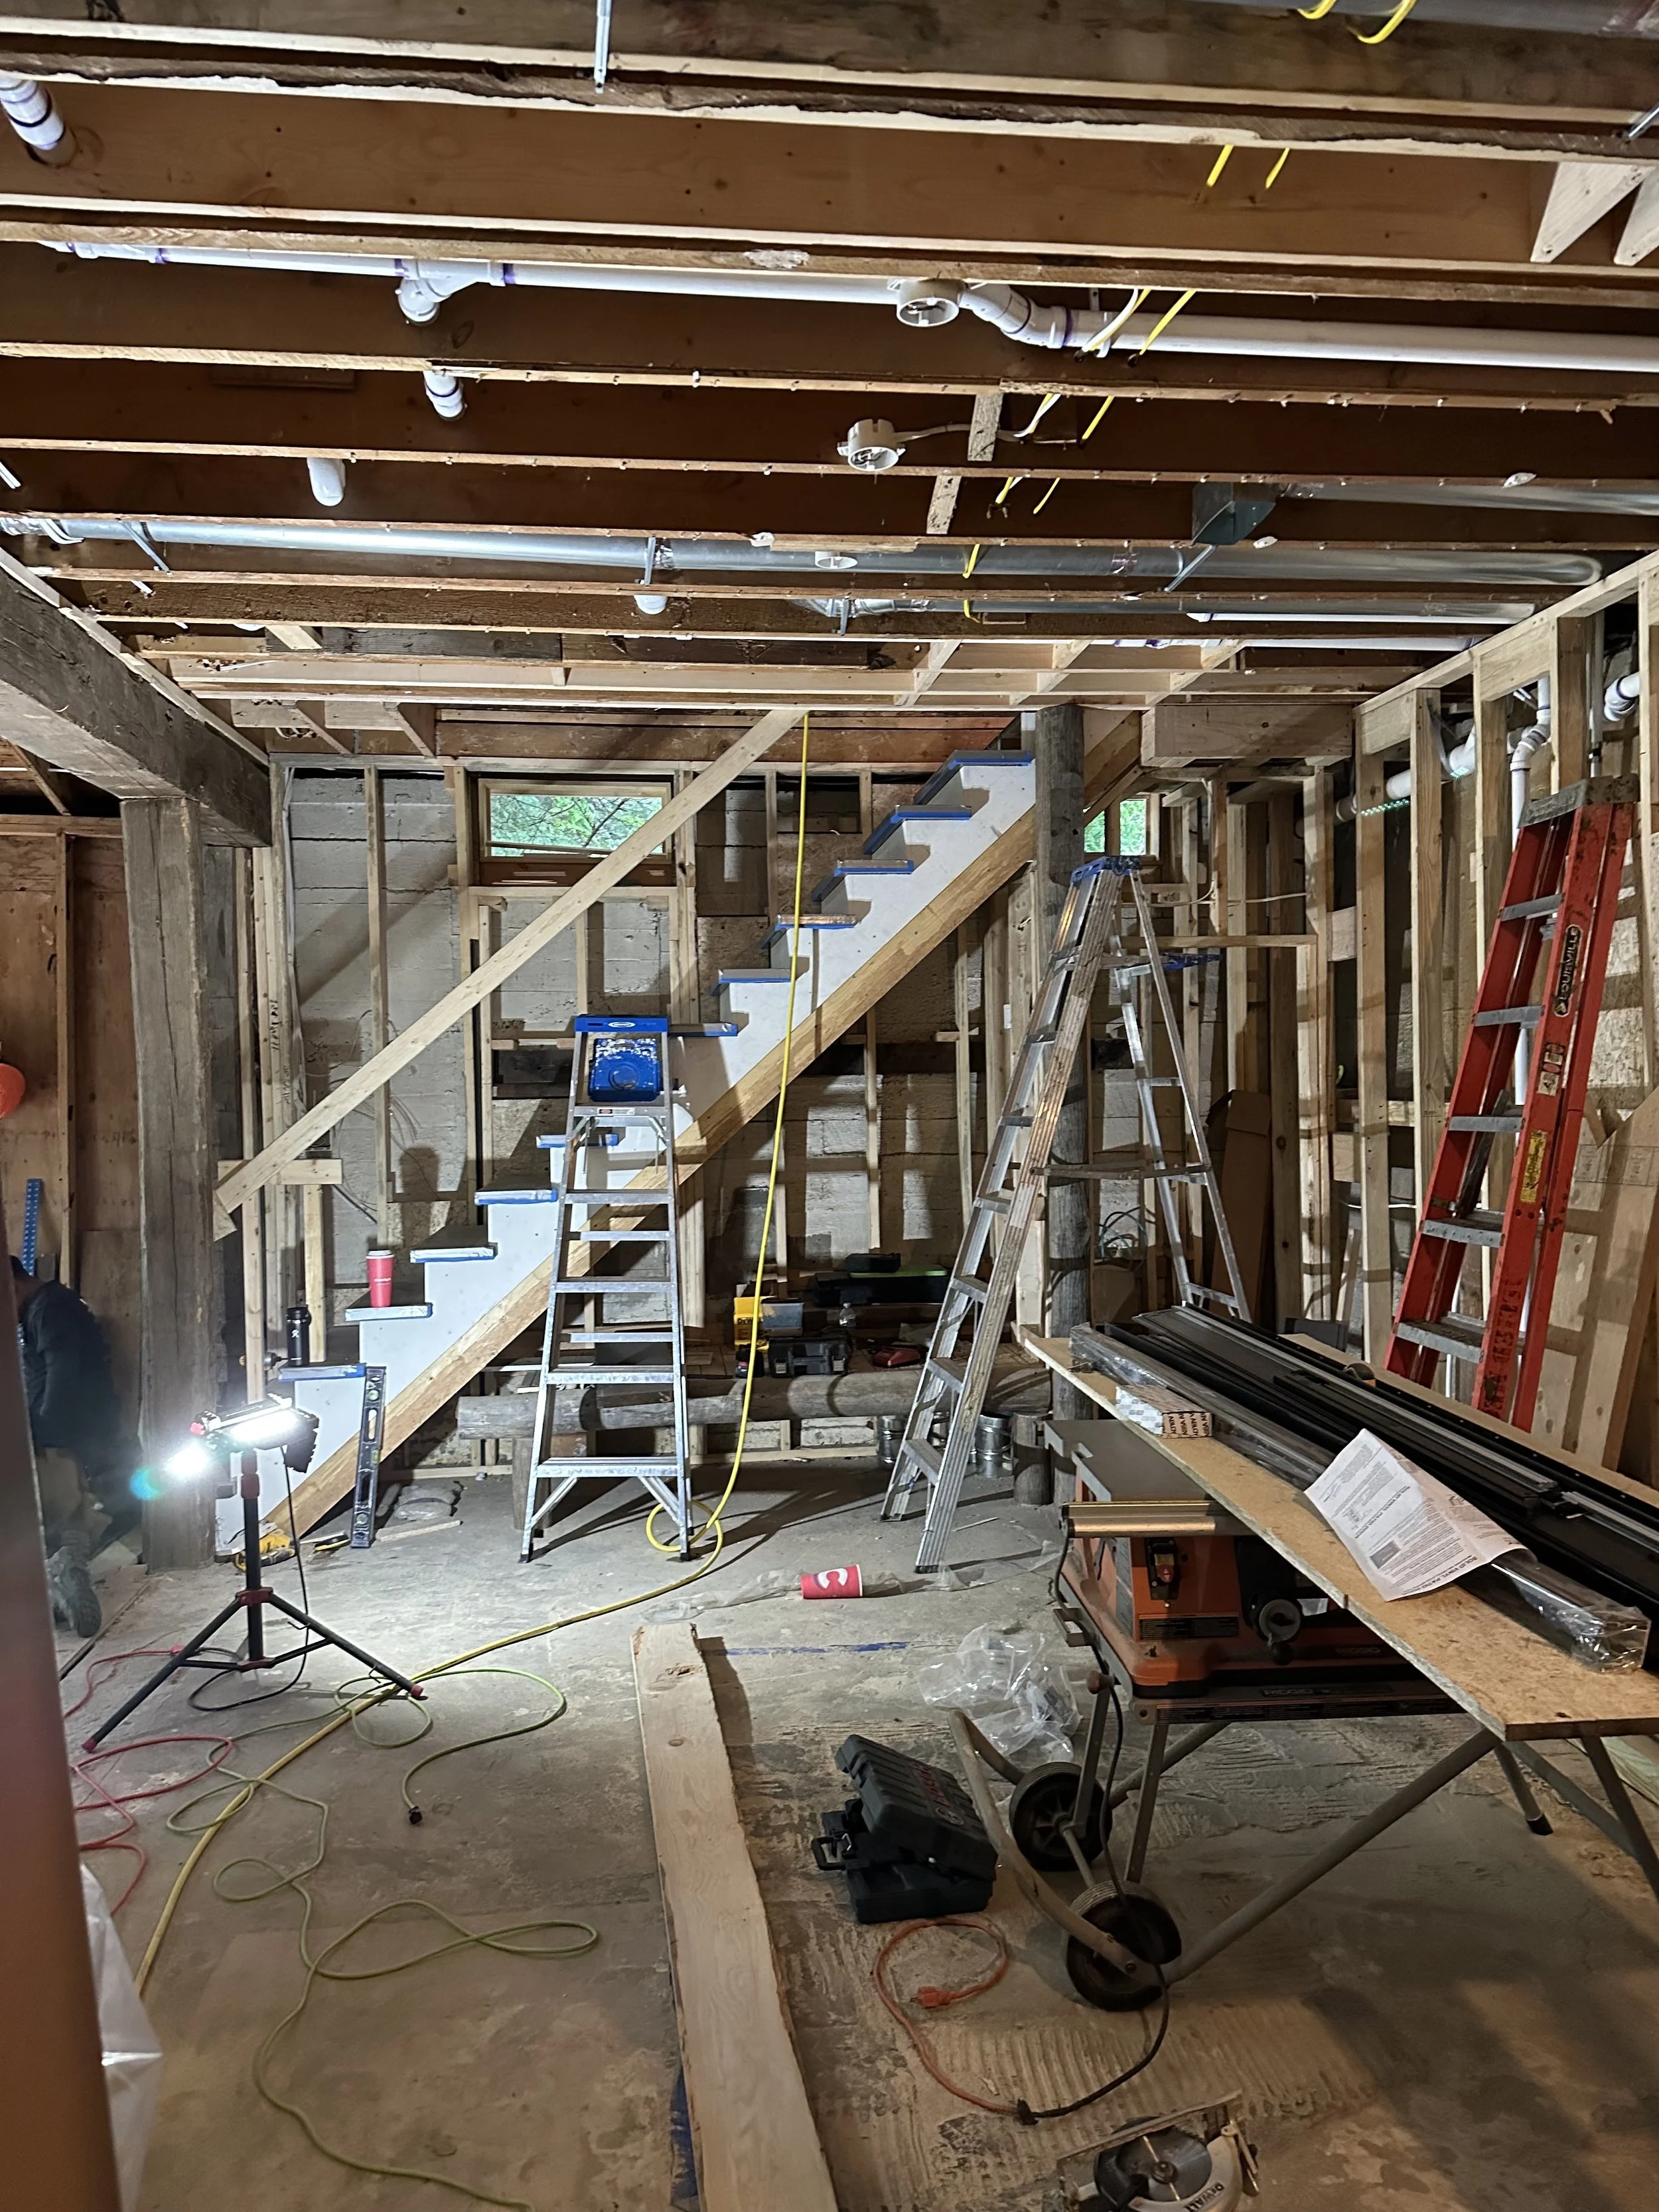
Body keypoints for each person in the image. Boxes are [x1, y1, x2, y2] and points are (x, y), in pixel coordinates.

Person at [11, 1256, 138, 1637]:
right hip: (72, 1434)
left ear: (13, 1283)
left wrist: (42, 1432)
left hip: (66, 1436)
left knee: (58, 1517)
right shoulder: (44, 1309)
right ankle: (57, 1586)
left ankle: (63, 1570)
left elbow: (63, 1375)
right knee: (62, 1517)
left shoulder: (51, 1308)